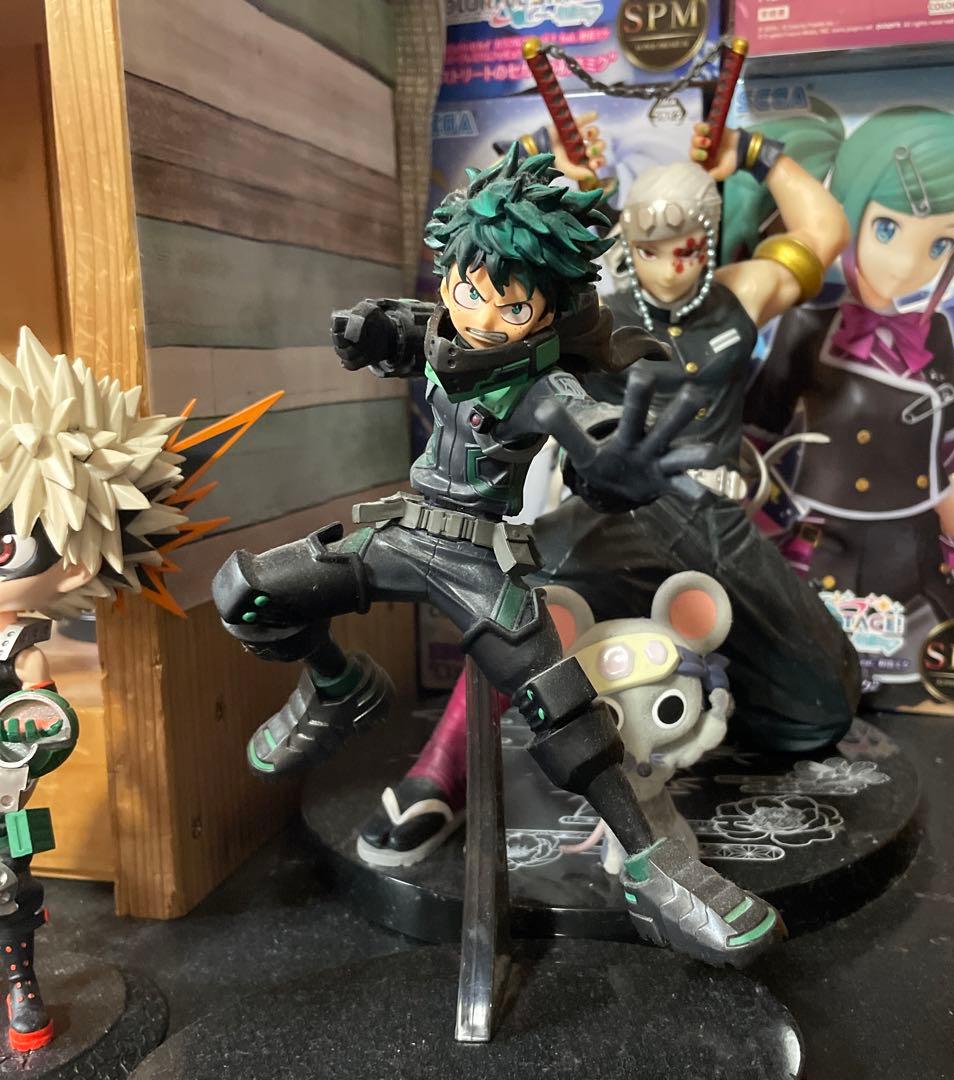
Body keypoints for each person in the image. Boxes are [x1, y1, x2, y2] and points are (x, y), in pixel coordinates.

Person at [213, 144, 788, 968]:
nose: (481, 317)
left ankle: (655, 868)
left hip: (480, 564)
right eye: (469, 290)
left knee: (564, 716)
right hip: (403, 535)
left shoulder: (543, 386)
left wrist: (615, 470)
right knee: (248, 592)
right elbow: (410, 330)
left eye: (510, 307)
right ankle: (338, 687)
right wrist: (372, 330)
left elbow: (587, 430)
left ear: (549, 314)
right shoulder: (444, 328)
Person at [359, 125, 862, 867]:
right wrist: (550, 164)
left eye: (686, 249)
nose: (669, 266)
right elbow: (493, 288)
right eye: (651, 249)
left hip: (715, 513)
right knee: (509, 590)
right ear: (629, 241)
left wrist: (757, 155)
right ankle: (442, 772)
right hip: (617, 506)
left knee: (819, 711)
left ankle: (681, 712)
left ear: (708, 241)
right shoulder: (590, 312)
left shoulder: (740, 293)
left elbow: (824, 232)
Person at [0, 327, 273, 1050]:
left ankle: (21, 984)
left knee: (9, 886)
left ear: (74, 563)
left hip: (4, 792)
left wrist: (30, 742)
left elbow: (47, 721)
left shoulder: (23, 650)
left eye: (5, 547)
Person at [731, 102, 954, 702]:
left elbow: (937, 477)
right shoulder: (805, 325)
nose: (908, 264)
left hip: (913, 562)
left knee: (934, 685)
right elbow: (754, 442)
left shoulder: (937, 338)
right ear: (848, 209)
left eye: (940, 245)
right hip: (821, 553)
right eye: (887, 229)